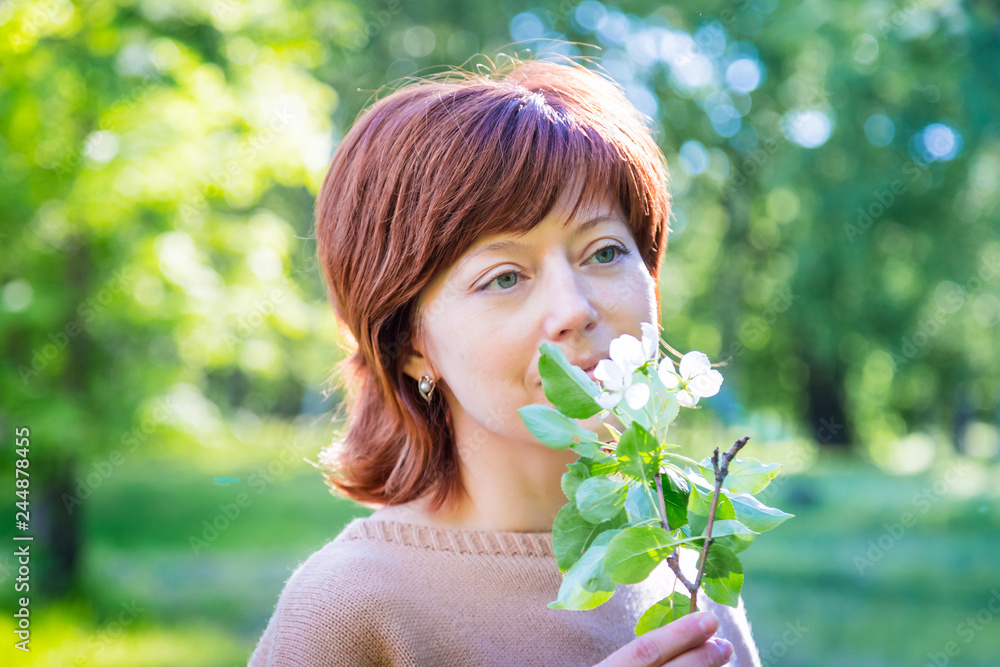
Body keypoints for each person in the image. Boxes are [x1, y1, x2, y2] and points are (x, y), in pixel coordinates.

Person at [248, 53, 763, 667]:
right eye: (504, 277)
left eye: (603, 252)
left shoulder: (680, 566)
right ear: (410, 346)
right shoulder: (348, 606)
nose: (573, 309)